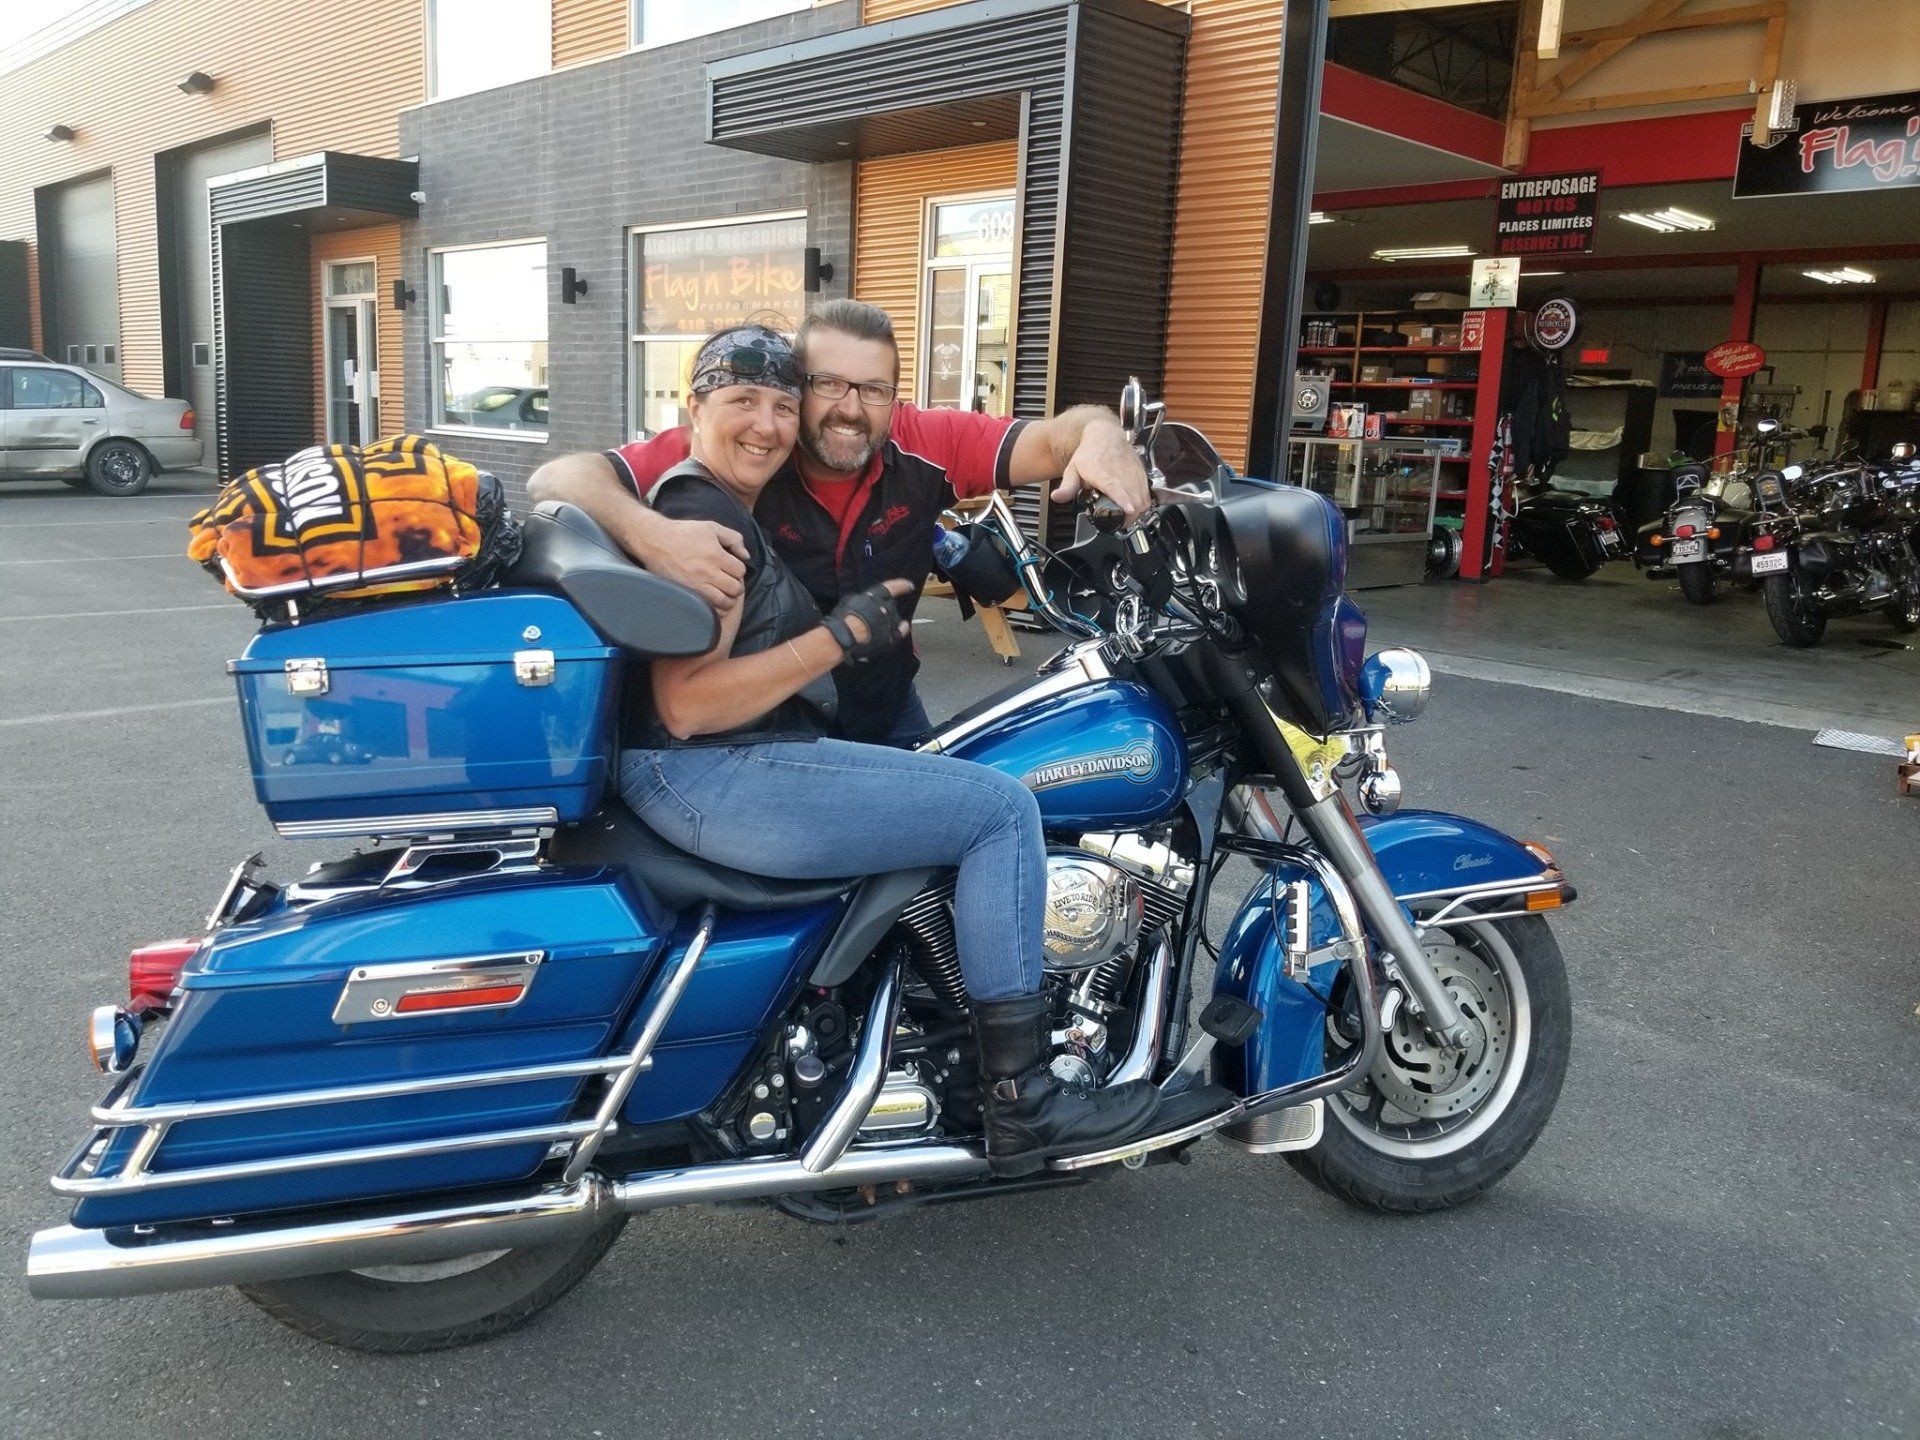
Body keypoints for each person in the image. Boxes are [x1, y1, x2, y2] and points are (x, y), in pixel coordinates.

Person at [623, 324, 1157, 1174]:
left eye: (778, 406)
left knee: (956, 787)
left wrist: (1100, 437)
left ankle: (909, 1057)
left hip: (744, 750)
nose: (766, 424)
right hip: (710, 766)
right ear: (693, 409)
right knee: (997, 810)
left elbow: (1055, 433)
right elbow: (686, 706)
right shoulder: (703, 516)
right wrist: (839, 637)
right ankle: (1024, 1104)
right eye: (744, 403)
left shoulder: (736, 494)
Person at [529, 298, 1152, 744]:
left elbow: (1059, 435)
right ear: (799, 387)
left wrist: (1099, 433)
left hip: (886, 704)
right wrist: (655, 535)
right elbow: (557, 478)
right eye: (829, 385)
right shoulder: (748, 447)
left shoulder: (926, 441)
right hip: (771, 724)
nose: (850, 410)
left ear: (895, 398)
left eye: (874, 389)